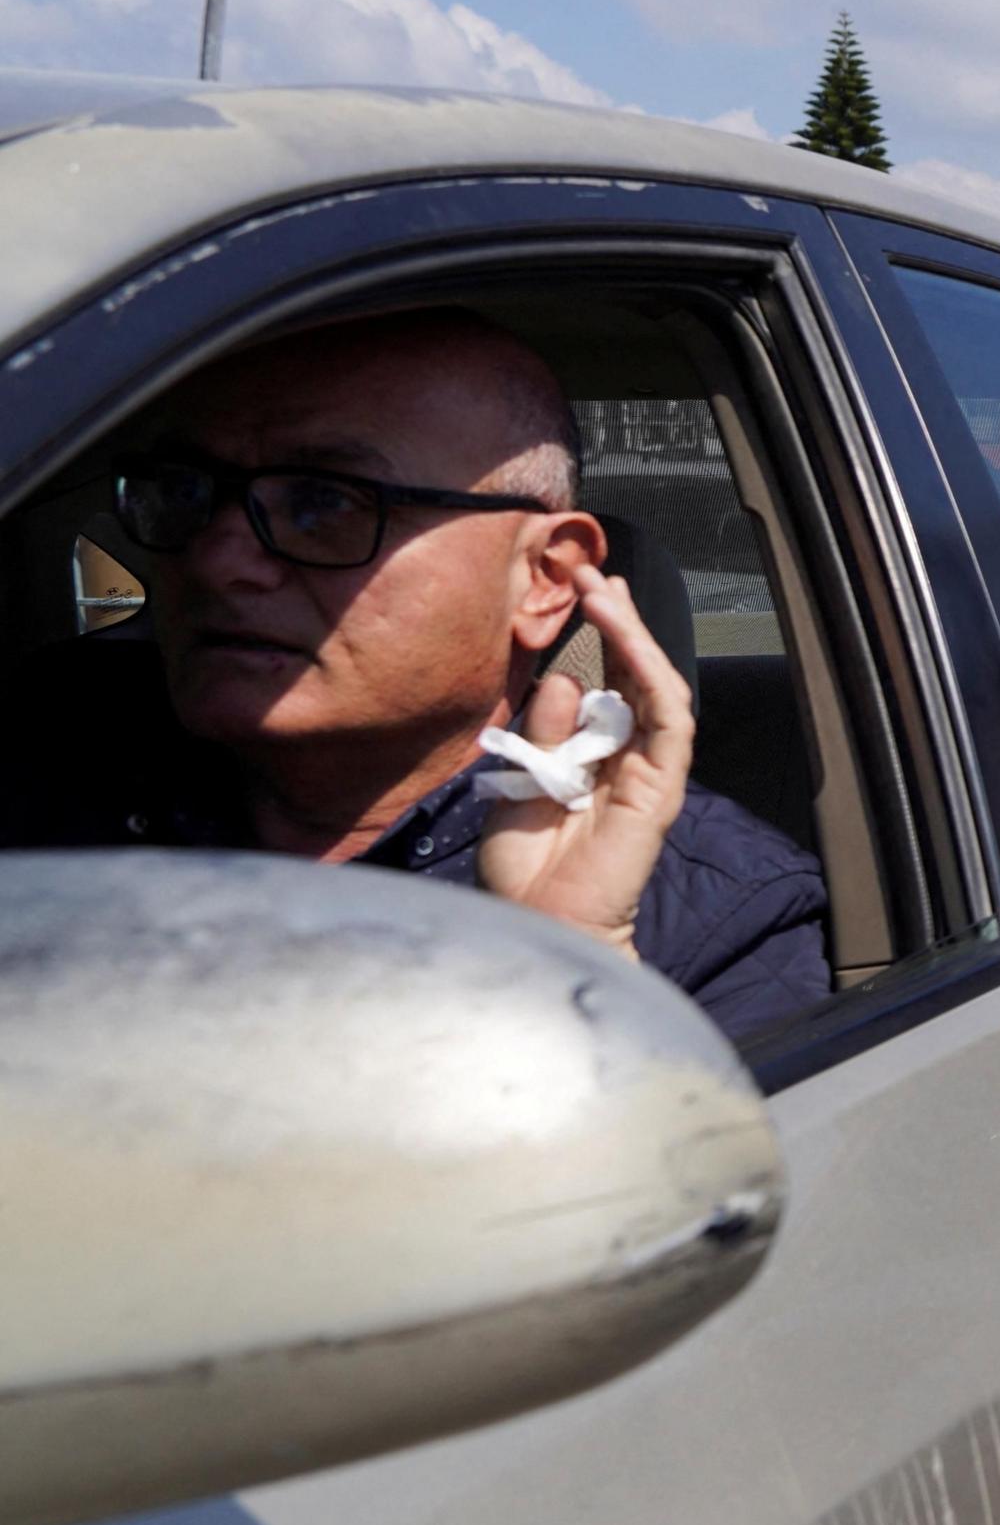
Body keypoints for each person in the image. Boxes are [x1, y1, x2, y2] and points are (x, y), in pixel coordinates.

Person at [0, 308, 829, 1040]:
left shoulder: (713, 914)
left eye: (325, 503)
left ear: (542, 578)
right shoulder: (44, 765)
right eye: (184, 492)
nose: (217, 558)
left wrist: (565, 980)